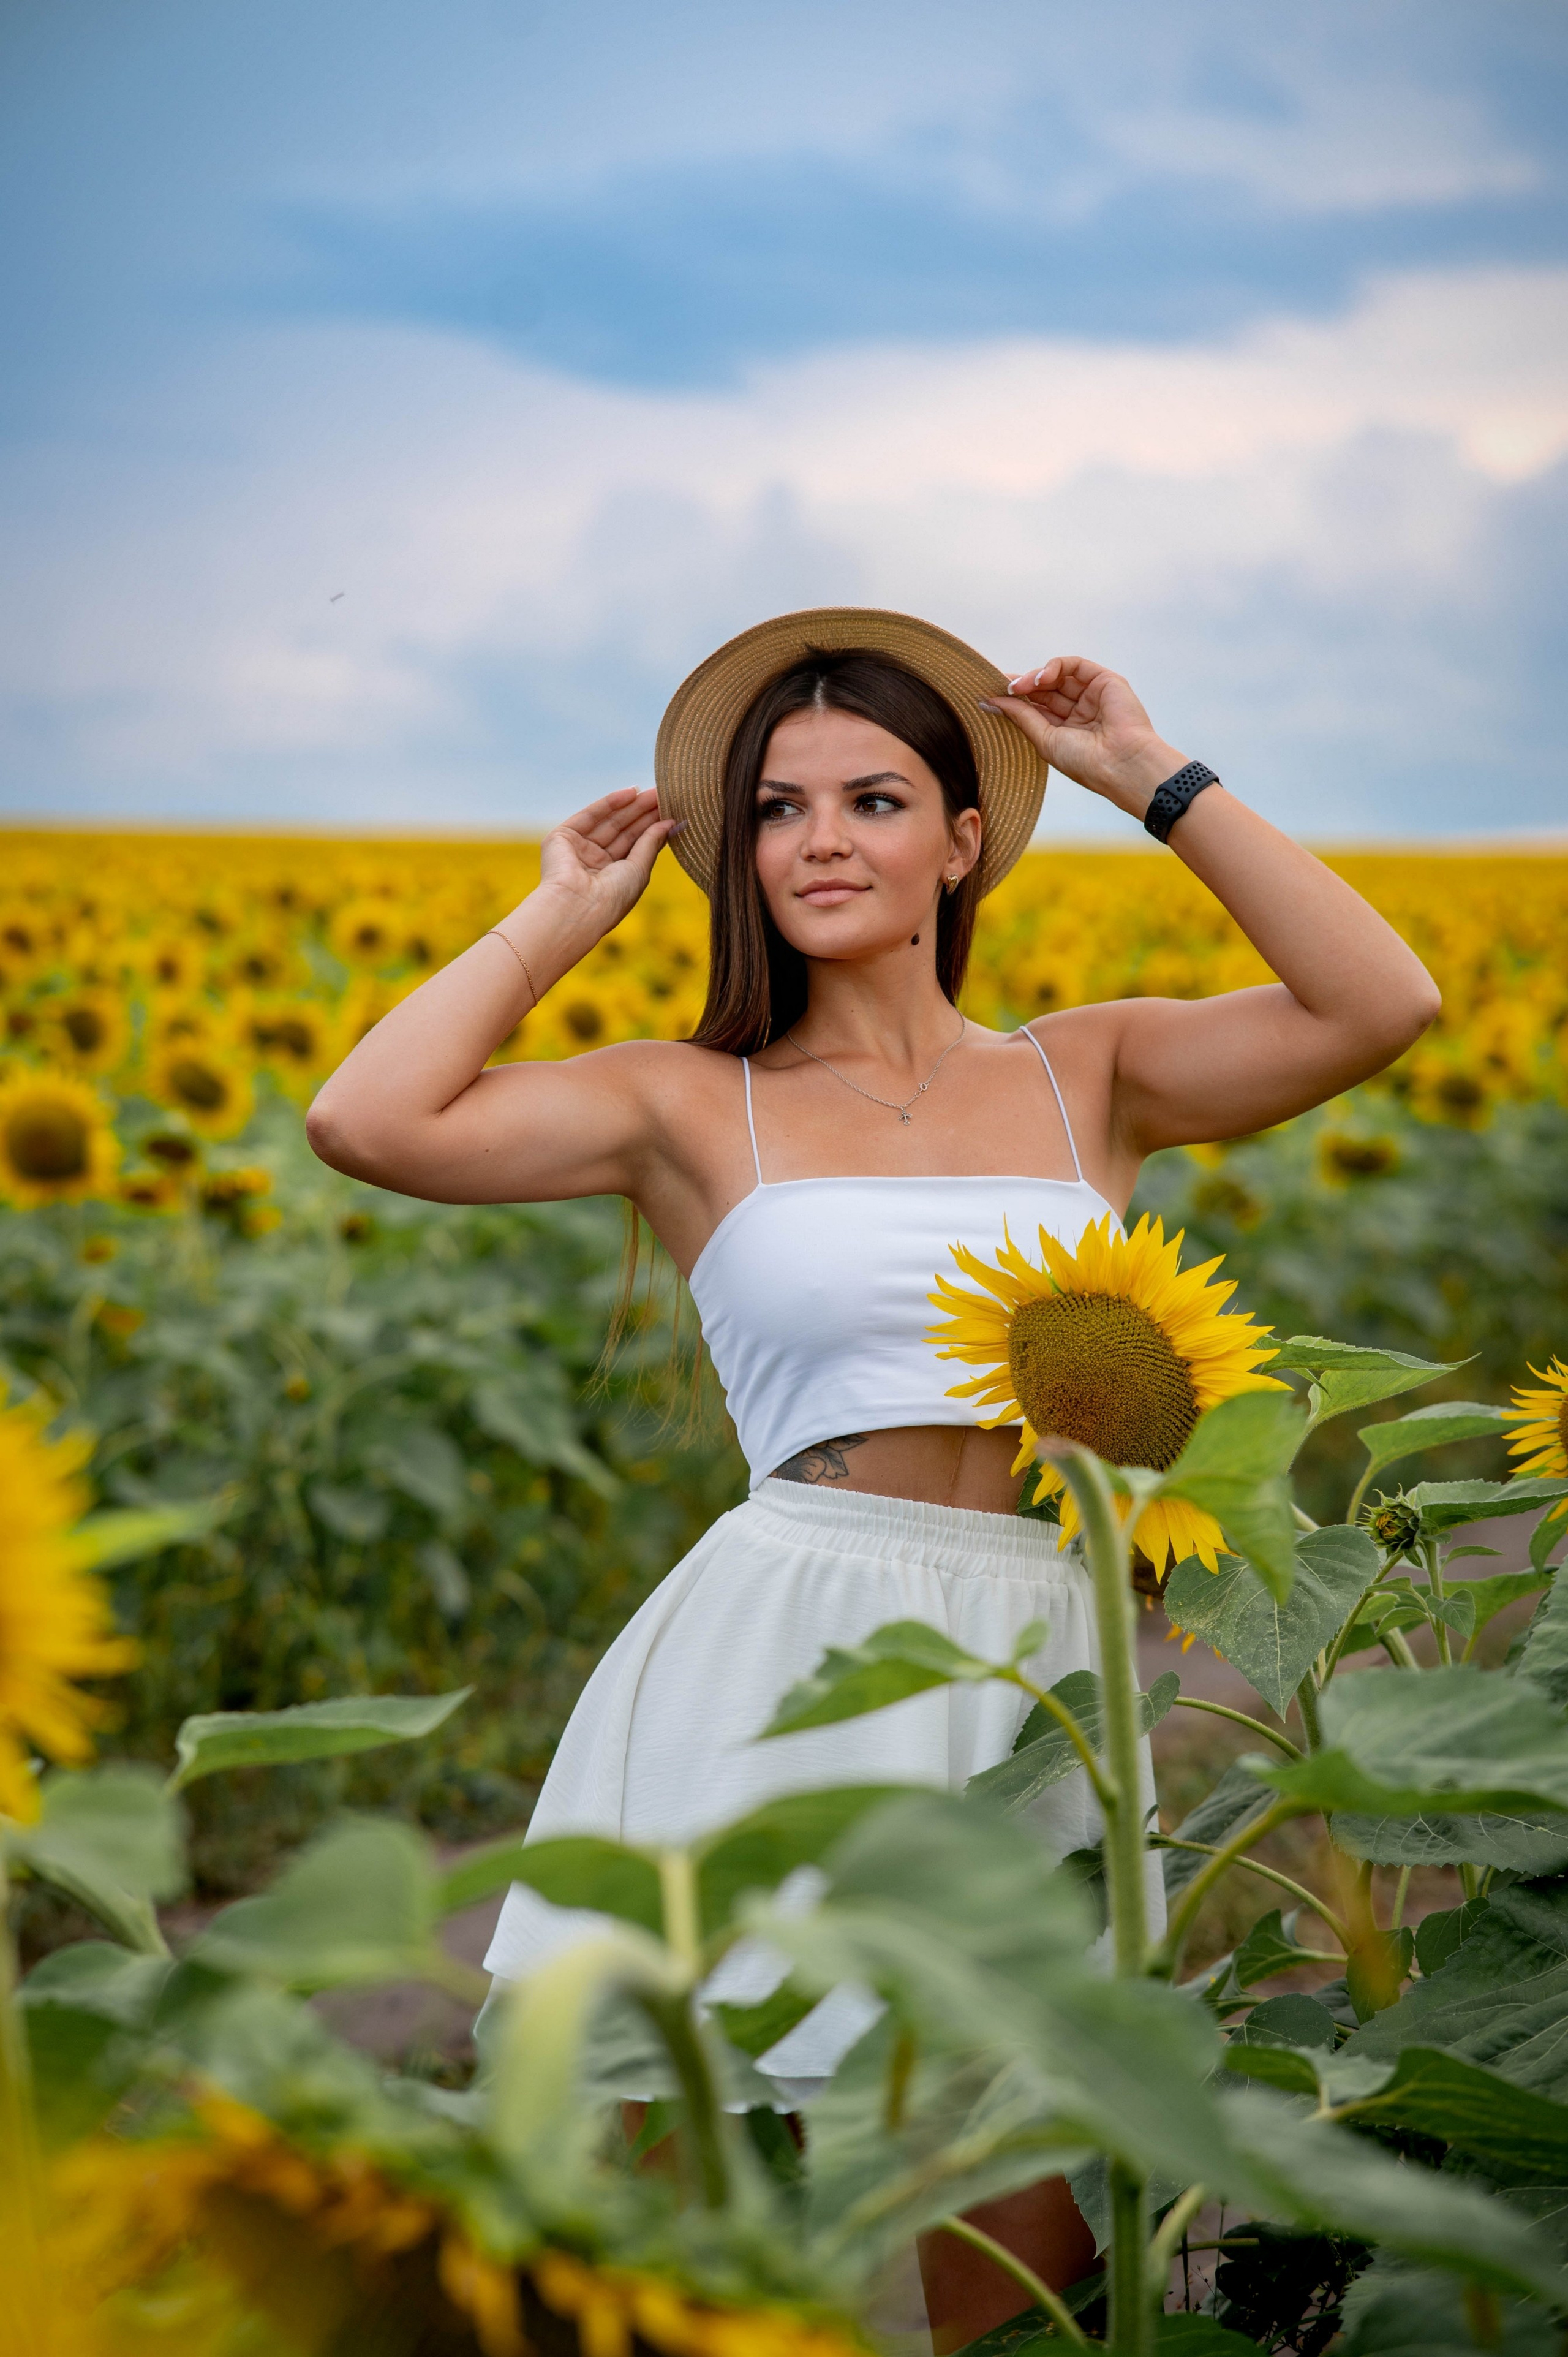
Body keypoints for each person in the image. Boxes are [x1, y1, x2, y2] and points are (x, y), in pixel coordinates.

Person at [306, 608, 1439, 2346]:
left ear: (962, 839)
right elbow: (365, 1120)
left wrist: (1154, 776)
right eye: (775, 809)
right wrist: (560, 913)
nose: (819, 840)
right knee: (718, 2197)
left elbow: (1385, 1001)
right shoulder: (690, 1106)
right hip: (780, 1654)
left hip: (1038, 1673)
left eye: (873, 799)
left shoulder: (1090, 1072)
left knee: (1029, 2215)